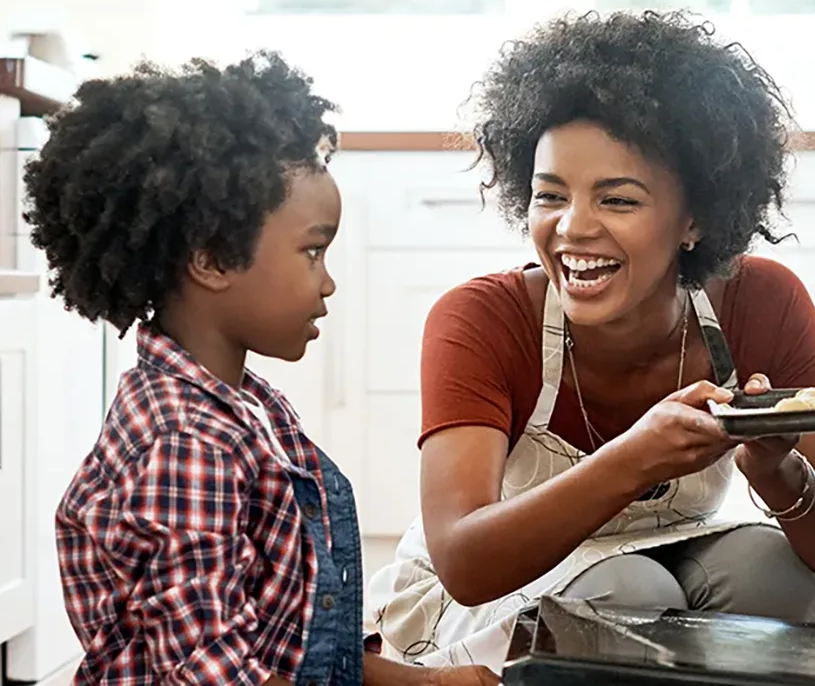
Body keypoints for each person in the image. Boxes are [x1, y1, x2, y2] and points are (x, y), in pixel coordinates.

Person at [368, 10, 815, 675]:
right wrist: (632, 458)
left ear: (695, 217)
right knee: (628, 592)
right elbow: (465, 564)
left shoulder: (764, 302)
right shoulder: (481, 318)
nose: (571, 229)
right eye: (550, 195)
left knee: (769, 569)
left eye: (617, 200)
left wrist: (778, 473)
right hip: (486, 603)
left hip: (671, 558)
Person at [24, 51, 497, 686]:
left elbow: (284, 645)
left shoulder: (246, 406)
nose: (328, 282)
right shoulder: (185, 445)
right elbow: (217, 675)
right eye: (312, 251)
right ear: (213, 260)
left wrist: (430, 682)